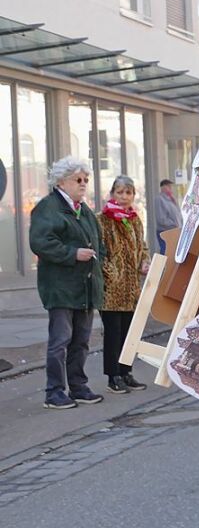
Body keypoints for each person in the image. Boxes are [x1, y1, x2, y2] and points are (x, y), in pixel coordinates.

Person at [29, 156, 105, 409]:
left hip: (85, 286)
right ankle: (54, 391)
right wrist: (73, 254)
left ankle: (79, 386)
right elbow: (41, 242)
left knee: (81, 341)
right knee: (60, 341)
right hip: (61, 287)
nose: (83, 184)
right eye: (78, 179)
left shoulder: (84, 211)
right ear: (61, 182)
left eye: (86, 179)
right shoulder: (48, 208)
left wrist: (99, 265)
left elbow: (99, 245)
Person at [97, 175, 150, 393]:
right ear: (112, 194)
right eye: (120, 192)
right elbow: (100, 252)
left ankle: (126, 371)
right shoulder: (102, 219)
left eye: (128, 192)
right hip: (112, 288)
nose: (124, 197)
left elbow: (142, 246)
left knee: (129, 332)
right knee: (113, 332)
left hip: (131, 287)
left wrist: (144, 262)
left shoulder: (134, 219)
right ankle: (113, 375)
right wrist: (111, 273)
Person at [155, 178, 182, 254]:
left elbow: (178, 213)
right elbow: (161, 219)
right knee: (165, 250)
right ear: (162, 187)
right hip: (165, 230)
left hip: (174, 229)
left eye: (171, 186)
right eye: (168, 186)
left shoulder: (171, 199)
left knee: (172, 251)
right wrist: (174, 224)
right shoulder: (159, 199)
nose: (170, 188)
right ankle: (163, 265)